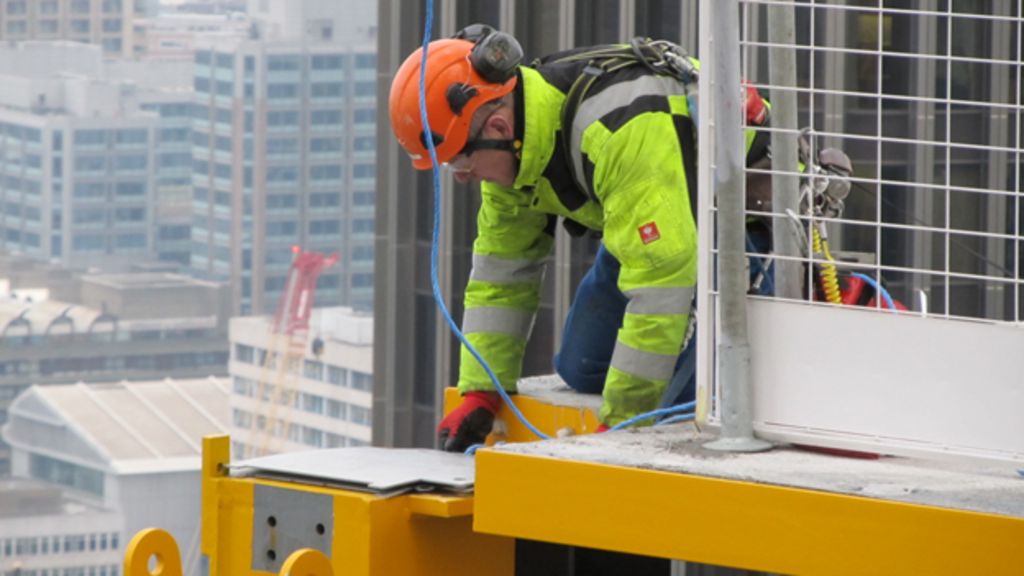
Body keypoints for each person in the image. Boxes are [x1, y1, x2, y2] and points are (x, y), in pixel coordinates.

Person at [388, 25, 767, 452]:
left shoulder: (615, 131)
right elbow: (501, 274)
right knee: (582, 367)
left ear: (495, 126)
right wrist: (480, 392)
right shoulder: (513, 147)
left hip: (741, 228)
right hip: (653, 231)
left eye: (459, 163)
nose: (462, 178)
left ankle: (789, 300)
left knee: (678, 393)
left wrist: (621, 430)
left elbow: (663, 282)